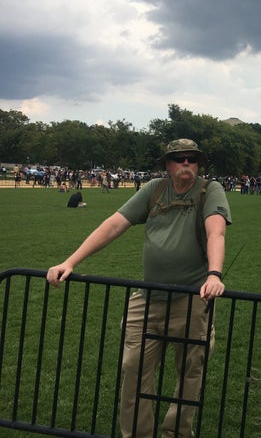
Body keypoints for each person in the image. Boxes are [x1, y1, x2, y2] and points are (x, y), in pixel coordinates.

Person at [46, 138, 232, 438]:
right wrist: (71, 262)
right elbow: (114, 224)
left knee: (190, 371)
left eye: (192, 159)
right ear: (167, 164)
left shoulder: (210, 191)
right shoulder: (154, 190)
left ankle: (176, 433)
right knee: (133, 368)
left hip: (193, 298)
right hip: (148, 297)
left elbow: (216, 231)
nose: (187, 163)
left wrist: (213, 274)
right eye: (179, 158)